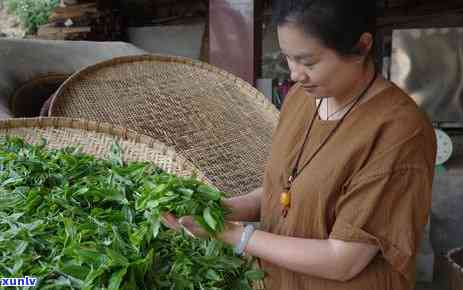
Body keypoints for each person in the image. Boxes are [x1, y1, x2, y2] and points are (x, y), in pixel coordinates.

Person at [162, 1, 437, 289]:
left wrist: (233, 234)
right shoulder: (301, 98)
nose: (295, 74)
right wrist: (214, 210)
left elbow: (344, 260)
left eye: (308, 62)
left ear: (361, 46)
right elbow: (283, 192)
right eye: (288, 58)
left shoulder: (399, 131)